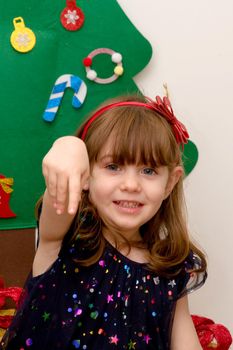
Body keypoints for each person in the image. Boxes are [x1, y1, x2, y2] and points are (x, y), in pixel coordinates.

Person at [1, 93, 207, 350]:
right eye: (113, 166)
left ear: (170, 183)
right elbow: (61, 192)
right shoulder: (67, 237)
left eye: (148, 171)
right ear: (85, 174)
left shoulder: (170, 269)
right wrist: (70, 147)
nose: (131, 185)